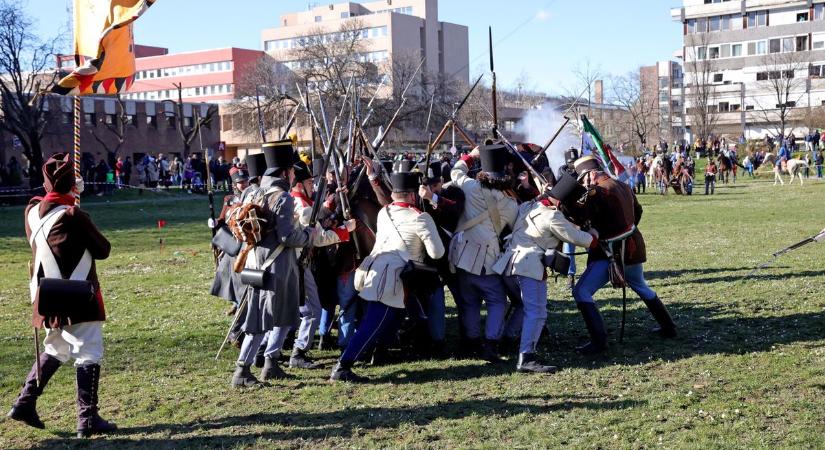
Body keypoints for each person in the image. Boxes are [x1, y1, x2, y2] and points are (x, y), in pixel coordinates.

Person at [7, 153, 116, 438]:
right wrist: (74, 201)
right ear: (73, 184)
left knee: (56, 348)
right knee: (88, 352)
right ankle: (87, 418)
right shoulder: (72, 215)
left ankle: (25, 402)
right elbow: (103, 250)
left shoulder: (31, 211)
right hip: (78, 295)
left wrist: (69, 195)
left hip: (47, 296)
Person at [330, 171, 444, 382]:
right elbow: (437, 252)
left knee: (396, 317)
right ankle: (342, 366)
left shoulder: (385, 212)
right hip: (391, 278)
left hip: (376, 270)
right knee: (372, 323)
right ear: (412, 195)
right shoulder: (421, 217)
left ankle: (383, 351)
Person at [257, 158, 356, 378]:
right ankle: (297, 353)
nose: (313, 186)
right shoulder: (300, 206)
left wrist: (328, 204)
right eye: (310, 183)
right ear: (299, 184)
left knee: (285, 312)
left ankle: (266, 352)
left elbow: (315, 218)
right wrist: (345, 231)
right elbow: (317, 237)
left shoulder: (295, 200)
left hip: (289, 263)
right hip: (298, 263)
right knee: (310, 310)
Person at [493, 171, 599, 373]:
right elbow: (581, 239)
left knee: (524, 306)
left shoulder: (527, 206)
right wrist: (593, 234)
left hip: (509, 264)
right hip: (530, 267)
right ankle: (526, 358)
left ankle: (508, 340)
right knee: (537, 313)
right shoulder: (553, 216)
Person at [570, 156, 676, 354]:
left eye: (583, 178)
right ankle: (668, 326)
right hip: (633, 247)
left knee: (580, 292)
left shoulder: (595, 193)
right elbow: (638, 212)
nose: (584, 182)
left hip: (610, 254)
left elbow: (583, 222)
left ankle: (599, 342)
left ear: (590, 174)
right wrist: (624, 230)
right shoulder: (622, 185)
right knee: (641, 286)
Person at [231, 144, 312, 387]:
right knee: (260, 322)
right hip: (275, 266)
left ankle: (271, 362)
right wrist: (310, 235)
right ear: (286, 173)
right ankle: (242, 370)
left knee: (285, 316)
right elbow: (288, 237)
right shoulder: (283, 198)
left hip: (259, 263)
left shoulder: (253, 193)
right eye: (292, 172)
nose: (294, 176)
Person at [449, 144, 518, 361]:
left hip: (462, 256)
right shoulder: (511, 203)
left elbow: (455, 172)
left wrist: (471, 156)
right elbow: (515, 229)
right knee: (497, 301)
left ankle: (471, 341)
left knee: (469, 302)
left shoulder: (471, 187)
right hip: (488, 258)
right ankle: (490, 344)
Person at [419, 161, 465, 351]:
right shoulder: (418, 198)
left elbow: (454, 211)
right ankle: (436, 341)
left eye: (435, 185)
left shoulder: (454, 193)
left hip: (453, 257)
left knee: (463, 299)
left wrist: (432, 198)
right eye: (428, 186)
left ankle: (469, 337)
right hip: (430, 260)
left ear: (441, 182)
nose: (432, 189)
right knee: (435, 304)